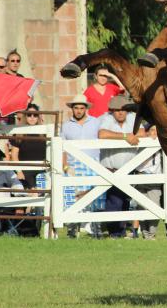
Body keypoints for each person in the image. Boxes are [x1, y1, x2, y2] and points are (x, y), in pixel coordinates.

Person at [98, 95, 147, 238]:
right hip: (111, 168)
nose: (120, 113)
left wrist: (129, 135)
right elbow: (102, 134)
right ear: (112, 111)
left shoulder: (133, 118)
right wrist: (126, 136)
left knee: (125, 201)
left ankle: (120, 231)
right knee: (114, 201)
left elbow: (142, 133)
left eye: (124, 110)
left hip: (129, 168)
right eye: (117, 110)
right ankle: (115, 232)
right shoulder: (107, 119)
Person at [60, 95, 103, 238]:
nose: (78, 111)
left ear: (86, 109)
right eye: (76, 108)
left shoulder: (96, 123)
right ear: (72, 109)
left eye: (81, 108)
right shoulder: (66, 126)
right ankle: (72, 229)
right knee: (74, 198)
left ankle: (96, 230)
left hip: (93, 163)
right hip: (74, 166)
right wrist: (65, 167)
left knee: (95, 197)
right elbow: (62, 149)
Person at [9, 104, 47, 189]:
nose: (32, 117)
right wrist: (19, 171)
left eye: (35, 115)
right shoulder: (19, 133)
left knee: (44, 197)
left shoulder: (45, 132)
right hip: (25, 171)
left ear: (38, 116)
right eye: (29, 115)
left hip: (42, 171)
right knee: (32, 195)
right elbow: (14, 155)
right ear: (25, 116)